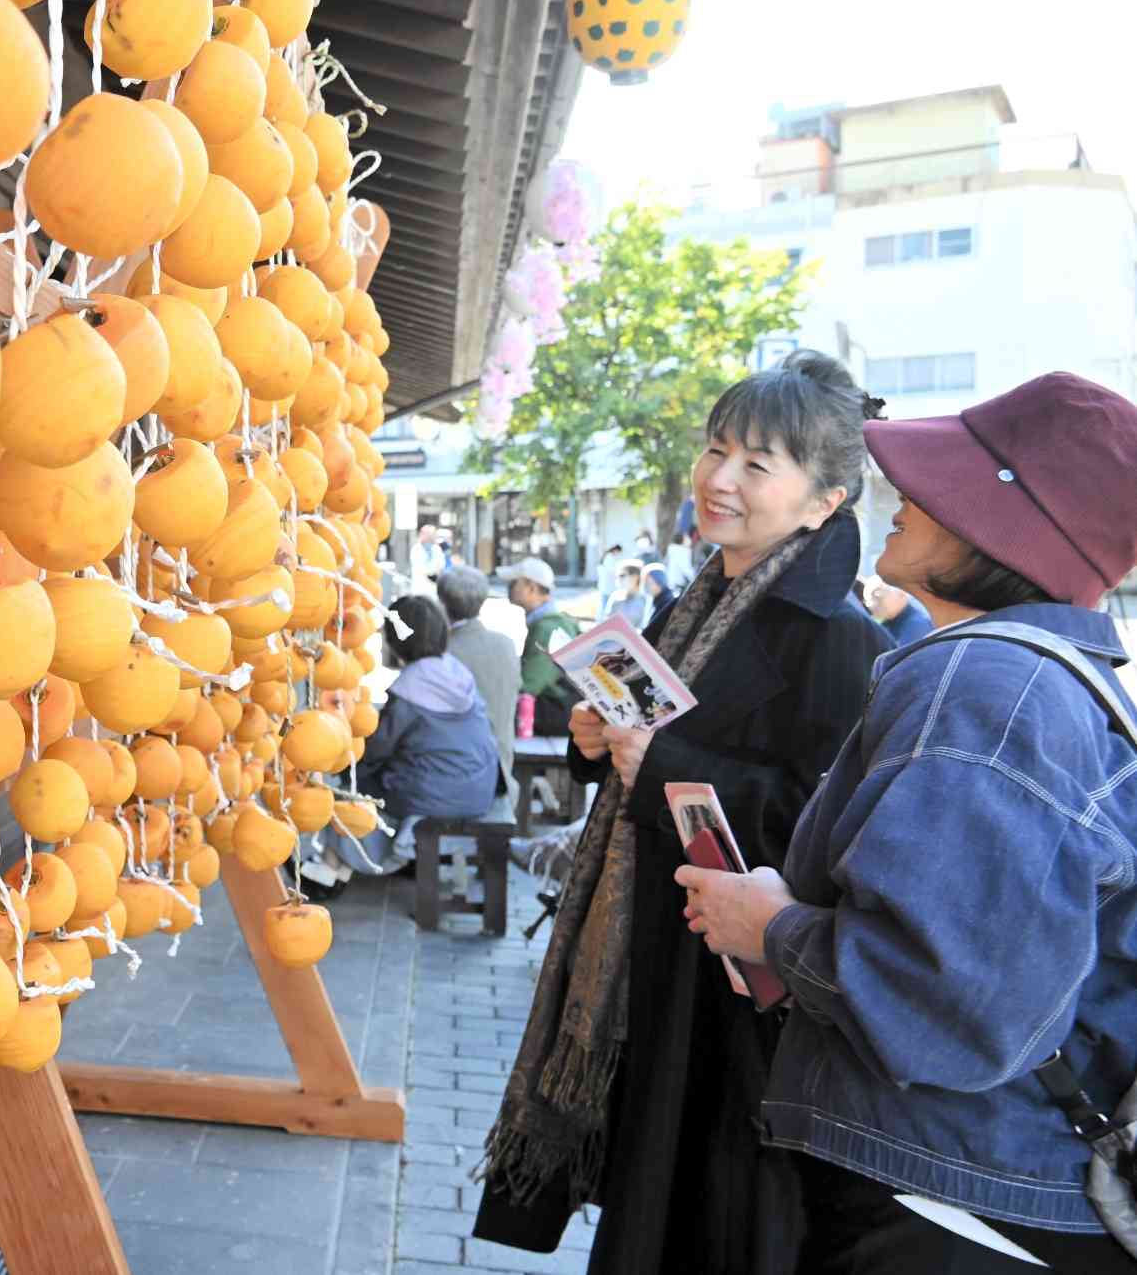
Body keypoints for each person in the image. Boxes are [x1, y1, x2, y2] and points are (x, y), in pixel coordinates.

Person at [679, 373, 1137, 1272]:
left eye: (938, 488)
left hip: (951, 1196)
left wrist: (771, 927)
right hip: (984, 1179)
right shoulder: (1052, 679)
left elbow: (949, 1005)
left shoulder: (985, 686)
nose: (903, 498)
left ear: (1005, 529)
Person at [477, 350, 896, 1275]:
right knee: (646, 1204)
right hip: (650, 961)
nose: (720, 480)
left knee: (700, 1222)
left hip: (730, 997)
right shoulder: (685, 604)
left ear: (824, 501)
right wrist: (603, 751)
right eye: (716, 450)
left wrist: (663, 762)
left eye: (758, 463)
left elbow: (820, 830)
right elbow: (648, 753)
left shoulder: (840, 639)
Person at [332, 593, 501, 873]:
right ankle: (407, 856)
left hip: (436, 796)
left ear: (396, 640)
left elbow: (375, 750)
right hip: (480, 788)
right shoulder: (457, 672)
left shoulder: (410, 686)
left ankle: (349, 863)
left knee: (351, 782)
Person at [439, 566, 521, 820]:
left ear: (442, 604)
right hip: (502, 770)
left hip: (457, 776)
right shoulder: (506, 645)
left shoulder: (443, 652)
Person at [499, 556, 580, 737]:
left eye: (514, 583)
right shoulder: (554, 622)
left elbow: (529, 684)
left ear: (532, 588)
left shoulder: (547, 629)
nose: (509, 588)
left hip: (555, 711)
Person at [861, 574, 935, 645]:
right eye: (868, 601)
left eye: (878, 596)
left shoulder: (918, 625)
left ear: (901, 593)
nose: (873, 604)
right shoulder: (883, 627)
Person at [603, 561, 647, 627]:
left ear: (635, 576)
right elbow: (606, 622)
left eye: (622, 575)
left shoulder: (645, 599)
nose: (619, 579)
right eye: (618, 576)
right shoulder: (615, 596)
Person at [642, 562, 678, 627]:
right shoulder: (654, 600)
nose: (646, 586)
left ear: (659, 581)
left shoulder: (668, 602)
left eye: (649, 583)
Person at [595, 544, 625, 614]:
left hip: (606, 586)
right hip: (607, 586)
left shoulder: (607, 557)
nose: (618, 554)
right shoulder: (609, 558)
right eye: (619, 552)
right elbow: (613, 571)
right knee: (605, 606)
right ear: (615, 550)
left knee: (604, 605)